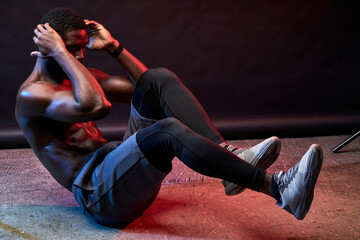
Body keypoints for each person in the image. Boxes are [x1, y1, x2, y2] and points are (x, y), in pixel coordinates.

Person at [15, 7, 323, 228]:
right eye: (72, 50)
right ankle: (279, 189)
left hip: (122, 171)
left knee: (159, 79)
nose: (80, 57)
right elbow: (97, 106)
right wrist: (60, 53)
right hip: (100, 197)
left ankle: (231, 158)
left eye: (82, 49)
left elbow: (148, 86)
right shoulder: (33, 95)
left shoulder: (80, 76)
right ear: (48, 46)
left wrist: (113, 47)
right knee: (167, 131)